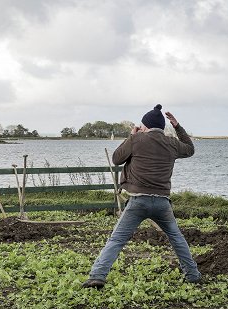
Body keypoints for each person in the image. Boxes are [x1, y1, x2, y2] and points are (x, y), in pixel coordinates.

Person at [82, 104, 201, 289]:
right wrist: (177, 126)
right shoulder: (172, 143)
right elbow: (190, 149)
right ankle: (192, 275)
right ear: (162, 127)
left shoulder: (137, 140)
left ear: (145, 126)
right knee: (176, 238)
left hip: (138, 201)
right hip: (162, 202)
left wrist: (132, 136)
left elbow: (116, 159)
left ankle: (97, 275)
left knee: (117, 239)